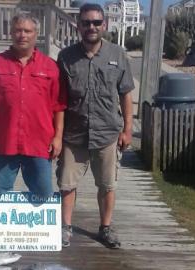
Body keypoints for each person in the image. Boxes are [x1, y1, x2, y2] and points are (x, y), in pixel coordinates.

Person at [56, 3, 134, 249]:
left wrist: (128, 129)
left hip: (107, 133)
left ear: (105, 25)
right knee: (67, 184)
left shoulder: (118, 55)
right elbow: (57, 98)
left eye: (96, 22)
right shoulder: (65, 56)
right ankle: (65, 228)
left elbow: (126, 94)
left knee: (107, 185)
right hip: (73, 134)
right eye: (86, 22)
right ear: (78, 25)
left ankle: (105, 228)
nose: (91, 27)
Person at [0, 13, 66, 200]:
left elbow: (58, 107)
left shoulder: (50, 67)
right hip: (2, 142)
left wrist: (58, 137)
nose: (22, 35)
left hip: (39, 144)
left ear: (36, 34)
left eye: (27, 31)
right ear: (11, 33)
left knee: (43, 195)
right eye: (17, 30)